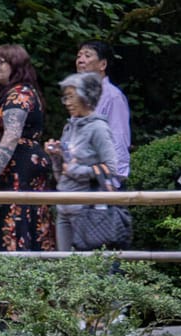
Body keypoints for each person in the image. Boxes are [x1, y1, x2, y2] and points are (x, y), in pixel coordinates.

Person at [0, 44, 56, 251]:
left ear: (16, 65)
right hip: (5, 173)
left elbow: (11, 135)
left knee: (17, 224)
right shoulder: (5, 94)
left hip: (18, 171)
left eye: (0, 62)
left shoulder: (21, 94)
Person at [46, 72, 123, 251]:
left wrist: (74, 170)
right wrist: (55, 157)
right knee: (64, 265)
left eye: (71, 96)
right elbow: (61, 173)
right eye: (65, 98)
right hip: (64, 205)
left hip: (87, 209)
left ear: (86, 97)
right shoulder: (69, 126)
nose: (68, 103)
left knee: (87, 267)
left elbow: (111, 168)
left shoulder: (99, 128)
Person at [75, 41, 132, 179]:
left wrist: (114, 178)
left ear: (103, 64)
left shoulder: (113, 96)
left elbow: (119, 137)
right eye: (79, 56)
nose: (81, 60)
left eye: (87, 56)